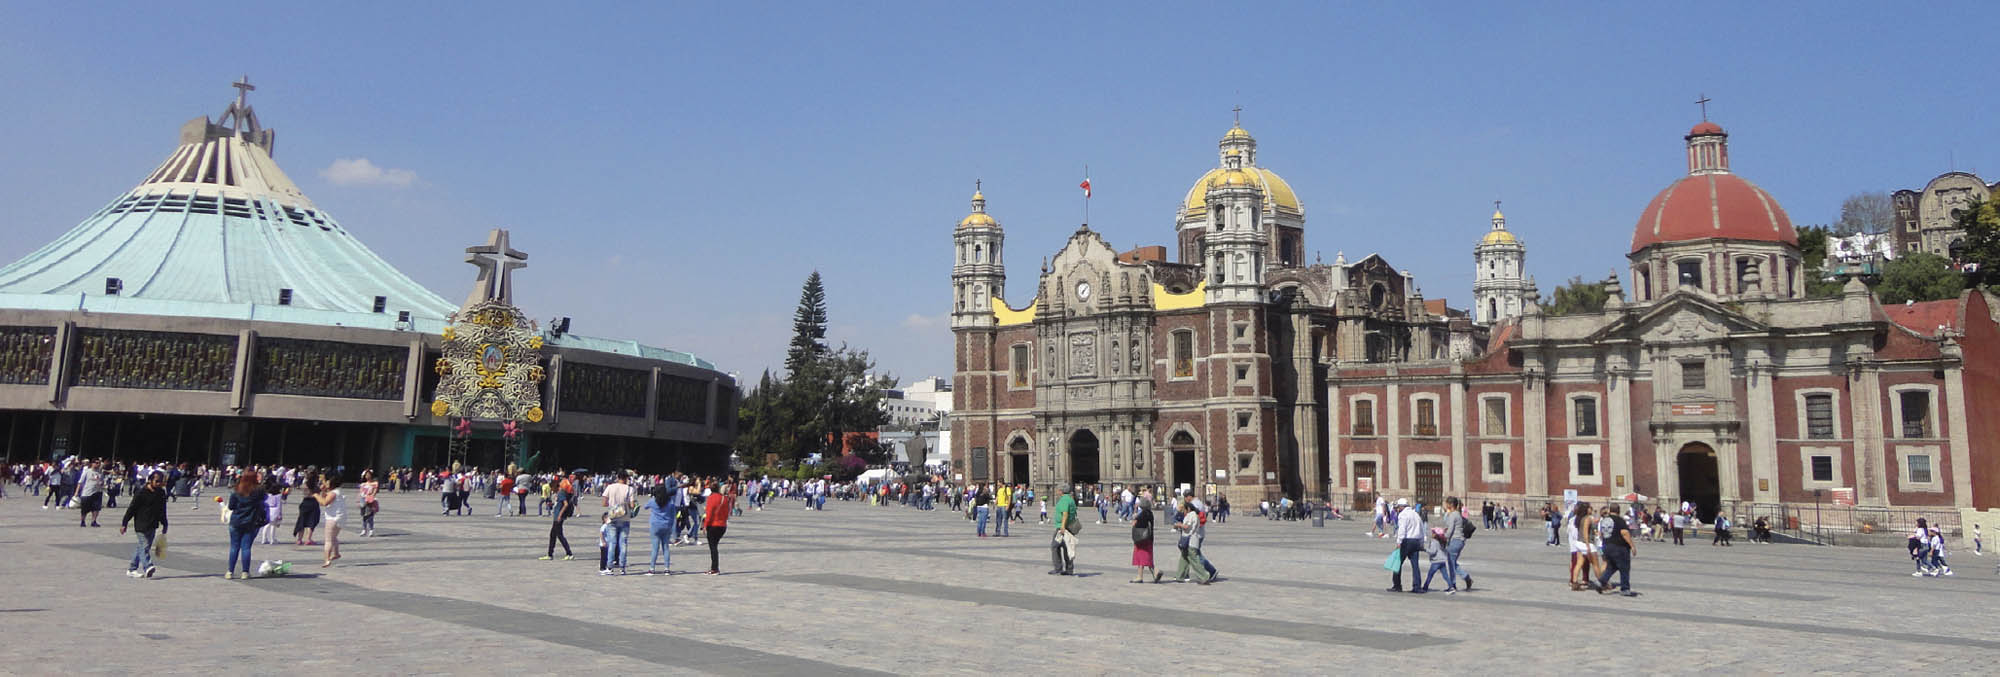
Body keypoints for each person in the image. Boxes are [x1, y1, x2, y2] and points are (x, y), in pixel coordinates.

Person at [119, 471, 170, 579]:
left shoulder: (161, 493)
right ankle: (148, 567)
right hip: (141, 524)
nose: (159, 483)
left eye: (161, 482)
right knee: (145, 545)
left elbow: (162, 509)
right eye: (157, 481)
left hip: (152, 524)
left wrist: (165, 523)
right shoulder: (141, 493)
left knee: (142, 547)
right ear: (150, 480)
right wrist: (124, 523)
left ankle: (132, 569)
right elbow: (131, 509)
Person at [225, 472, 267, 580]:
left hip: (236, 522)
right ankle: (245, 572)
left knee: (234, 547)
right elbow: (263, 502)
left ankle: (230, 572)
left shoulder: (237, 491)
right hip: (250, 522)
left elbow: (231, 507)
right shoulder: (257, 492)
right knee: (246, 548)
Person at [1593, 505, 1639, 596]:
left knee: (1612, 566)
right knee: (1624, 568)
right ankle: (1625, 588)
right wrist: (1632, 546)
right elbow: (1624, 533)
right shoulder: (1619, 520)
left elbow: (1601, 533)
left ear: (1610, 510)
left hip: (1606, 545)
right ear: (1619, 510)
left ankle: (1601, 581)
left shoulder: (1604, 520)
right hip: (1619, 547)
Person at [1386, 498, 1424, 593]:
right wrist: (1421, 542)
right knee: (1415, 565)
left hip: (1406, 541)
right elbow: (1421, 529)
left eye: (1398, 507)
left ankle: (1397, 585)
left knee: (1397, 563)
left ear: (1402, 507)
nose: (1398, 509)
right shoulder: (1415, 514)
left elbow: (1402, 530)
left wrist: (1399, 542)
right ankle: (1417, 586)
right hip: (1416, 541)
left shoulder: (1403, 515)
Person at [1173, 497, 1213, 585]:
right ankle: (1180, 575)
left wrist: (1179, 525)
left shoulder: (1192, 515)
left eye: (1184, 509)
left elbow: (1187, 527)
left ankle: (1204, 576)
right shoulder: (1192, 514)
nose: (1183, 512)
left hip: (1191, 540)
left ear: (1188, 508)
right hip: (1188, 539)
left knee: (1193, 559)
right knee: (1184, 558)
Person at [601, 472, 634, 575]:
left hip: (612, 518)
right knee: (623, 543)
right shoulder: (630, 489)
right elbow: (632, 505)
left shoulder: (610, 487)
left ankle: (610, 567)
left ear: (617, 477)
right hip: (625, 518)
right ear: (626, 478)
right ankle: (622, 567)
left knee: (612, 543)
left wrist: (612, 504)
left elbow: (604, 503)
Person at [541, 474, 576, 561]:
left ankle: (569, 553)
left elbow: (565, 504)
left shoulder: (561, 493)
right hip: (557, 516)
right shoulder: (561, 493)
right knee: (554, 535)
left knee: (558, 535)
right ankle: (550, 554)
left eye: (552, 489)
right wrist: (552, 504)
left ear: (554, 487)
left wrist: (560, 515)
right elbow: (560, 504)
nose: (552, 491)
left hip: (558, 517)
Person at [1441, 497, 1471, 594]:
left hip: (1455, 540)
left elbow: (1450, 531)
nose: (1445, 506)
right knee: (1453, 562)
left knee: (1451, 563)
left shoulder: (1453, 515)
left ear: (1450, 505)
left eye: (1446, 504)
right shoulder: (1458, 514)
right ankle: (1465, 577)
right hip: (1460, 541)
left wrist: (1443, 537)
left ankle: (1453, 584)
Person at [702, 480, 733, 575]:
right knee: (714, 546)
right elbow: (727, 512)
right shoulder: (724, 498)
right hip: (722, 525)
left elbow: (709, 513)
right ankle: (714, 567)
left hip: (713, 525)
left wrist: (705, 525)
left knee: (713, 547)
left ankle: (714, 568)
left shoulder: (711, 498)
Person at [644, 482, 675, 575]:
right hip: (666, 526)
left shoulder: (653, 501)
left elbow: (645, 507)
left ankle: (652, 568)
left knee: (655, 548)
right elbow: (673, 514)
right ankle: (667, 568)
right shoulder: (670, 502)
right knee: (666, 548)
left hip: (655, 526)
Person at [316, 478, 346, 567]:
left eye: (328, 483)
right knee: (333, 537)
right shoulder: (338, 491)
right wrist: (323, 491)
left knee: (328, 540)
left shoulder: (333, 493)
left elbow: (324, 502)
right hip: (341, 518)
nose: (326, 484)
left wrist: (316, 495)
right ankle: (336, 553)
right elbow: (325, 497)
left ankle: (327, 559)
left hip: (333, 518)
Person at [1049, 484, 1078, 576]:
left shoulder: (1064, 500)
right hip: (1070, 526)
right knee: (1067, 548)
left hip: (1062, 527)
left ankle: (1058, 568)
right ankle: (1069, 569)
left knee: (1054, 546)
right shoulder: (1070, 499)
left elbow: (1065, 513)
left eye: (1058, 490)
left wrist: (1062, 526)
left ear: (1061, 491)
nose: (1057, 491)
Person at [1130, 489, 1159, 583]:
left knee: (1141, 557)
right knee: (1147, 556)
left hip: (1142, 538)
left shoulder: (1142, 515)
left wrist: (1134, 521)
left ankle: (1143, 575)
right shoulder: (1150, 513)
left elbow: (1138, 526)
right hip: (1149, 538)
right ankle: (1152, 574)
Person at [1567, 502, 1593, 591]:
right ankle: (1575, 580)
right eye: (1590, 508)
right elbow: (1575, 533)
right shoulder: (1581, 520)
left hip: (1575, 544)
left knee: (1580, 563)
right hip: (1578, 544)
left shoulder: (1574, 519)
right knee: (1577, 563)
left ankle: (1582, 579)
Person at [76, 461, 105, 527]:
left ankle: (93, 521)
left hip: (97, 492)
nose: (97, 464)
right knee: (84, 509)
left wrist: (101, 483)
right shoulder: (87, 471)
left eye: (99, 463)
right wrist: (76, 492)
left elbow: (102, 481)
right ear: (92, 463)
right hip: (87, 493)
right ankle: (82, 521)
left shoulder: (100, 472)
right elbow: (80, 482)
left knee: (96, 508)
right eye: (96, 463)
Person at [293, 477, 321, 546]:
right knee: (311, 522)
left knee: (302, 521)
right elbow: (320, 492)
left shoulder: (304, 485)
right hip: (314, 503)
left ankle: (299, 539)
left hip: (305, 503)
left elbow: (299, 487)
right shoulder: (316, 487)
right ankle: (308, 539)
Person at [357, 470, 380, 537]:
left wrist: (370, 498)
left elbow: (374, 492)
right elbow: (360, 493)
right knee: (364, 516)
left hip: (370, 501)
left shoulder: (375, 483)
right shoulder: (363, 484)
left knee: (370, 516)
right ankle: (364, 530)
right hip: (363, 500)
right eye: (366, 475)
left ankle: (371, 530)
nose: (367, 476)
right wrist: (359, 501)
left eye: (368, 474)